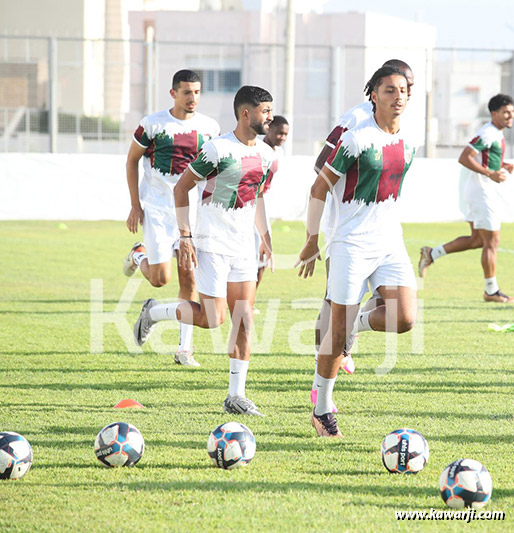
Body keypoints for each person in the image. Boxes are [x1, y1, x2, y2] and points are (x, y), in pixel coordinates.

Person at [133, 86, 275, 416]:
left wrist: (264, 237)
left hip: (243, 247)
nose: (270, 117)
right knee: (213, 319)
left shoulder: (267, 155)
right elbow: (183, 187)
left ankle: (235, 396)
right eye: (265, 111)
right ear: (245, 114)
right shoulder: (218, 148)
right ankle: (153, 311)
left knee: (243, 319)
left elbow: (255, 197)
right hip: (210, 245)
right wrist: (185, 237)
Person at [297, 66, 418, 437]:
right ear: (374, 95)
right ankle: (321, 409)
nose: (397, 97)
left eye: (402, 91)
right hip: (350, 243)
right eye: (388, 90)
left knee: (404, 317)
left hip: (389, 242)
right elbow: (319, 187)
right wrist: (313, 239)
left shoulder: (410, 140)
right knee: (335, 333)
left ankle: (358, 325)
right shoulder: (355, 138)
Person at [123, 69, 220, 367]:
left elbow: (212, 171)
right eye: (187, 92)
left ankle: (184, 349)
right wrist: (135, 204)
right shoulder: (152, 125)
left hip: (192, 215)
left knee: (189, 277)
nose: (193, 98)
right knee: (159, 279)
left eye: (197, 92)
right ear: (173, 93)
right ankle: (139, 255)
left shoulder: (210, 127)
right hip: (158, 211)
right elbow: (132, 161)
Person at [418, 94, 514, 303]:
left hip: (480, 190)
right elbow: (464, 157)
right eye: (506, 112)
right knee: (492, 240)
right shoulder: (488, 133)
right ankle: (491, 291)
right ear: (494, 113)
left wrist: (501, 166)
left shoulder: (495, 133)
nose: (510, 116)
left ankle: (431, 254)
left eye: (512, 112)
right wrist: (491, 174)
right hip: (481, 192)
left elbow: (484, 159)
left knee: (478, 240)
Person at [254, 115, 290, 291]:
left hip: (264, 203)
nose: (282, 137)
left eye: (285, 134)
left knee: (263, 254)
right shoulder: (257, 148)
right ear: (269, 129)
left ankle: (249, 300)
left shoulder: (279, 152)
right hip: (250, 203)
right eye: (279, 133)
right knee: (258, 250)